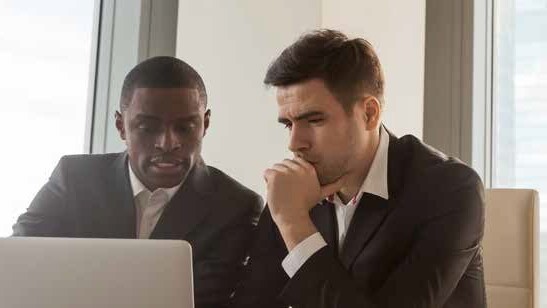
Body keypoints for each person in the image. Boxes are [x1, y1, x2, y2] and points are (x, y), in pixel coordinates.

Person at [233, 29, 485, 308]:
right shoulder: (293, 186)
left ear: (369, 114)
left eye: (314, 120)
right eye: (288, 124)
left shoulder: (450, 189)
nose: (295, 143)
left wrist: (294, 224)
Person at [13, 56, 263, 308]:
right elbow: (17, 263)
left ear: (205, 124)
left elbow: (206, 302)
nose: (167, 143)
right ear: (121, 126)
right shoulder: (74, 179)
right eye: (148, 127)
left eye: (185, 127)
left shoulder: (235, 207)